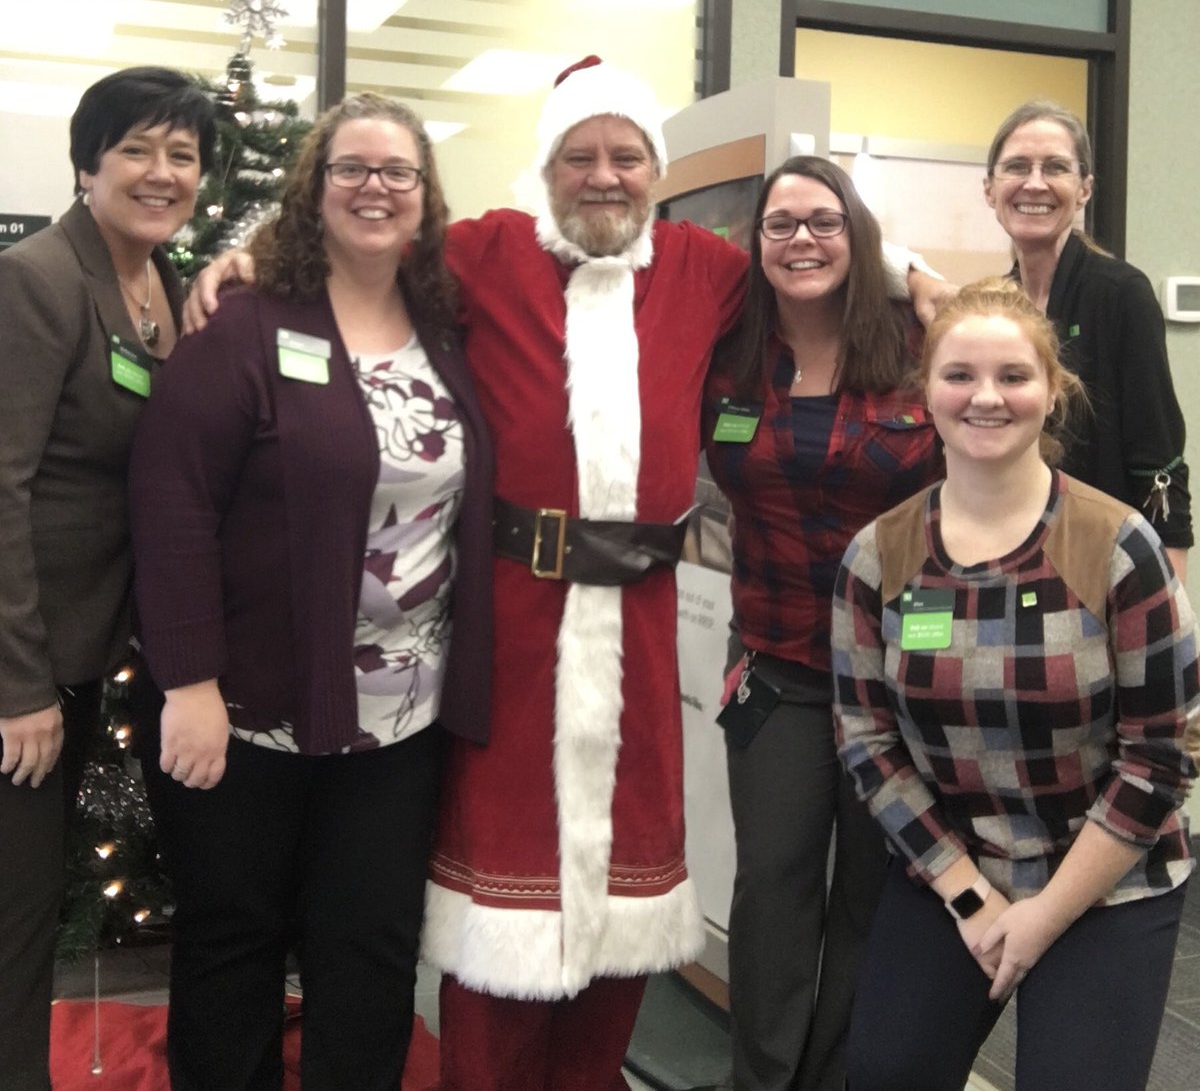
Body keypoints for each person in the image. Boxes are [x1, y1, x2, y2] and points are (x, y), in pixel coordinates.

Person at [184, 57, 950, 1091]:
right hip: (508, 622)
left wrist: (915, 274)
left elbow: (810, 255)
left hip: (639, 628)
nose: (603, 175)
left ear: (654, 171)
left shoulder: (702, 268)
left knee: (625, 892)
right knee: (497, 896)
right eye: (579, 155)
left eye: (626, 155)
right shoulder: (486, 250)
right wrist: (246, 256)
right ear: (546, 167)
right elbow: (364, 237)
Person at [127, 93, 493, 1091]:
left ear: (424, 193)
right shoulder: (244, 324)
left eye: (397, 170)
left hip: (400, 720)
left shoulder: (446, 326)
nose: (376, 187)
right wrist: (189, 681)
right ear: (314, 188)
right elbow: (172, 503)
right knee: (233, 937)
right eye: (352, 168)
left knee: (371, 944)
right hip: (249, 709)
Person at [831, 277, 1197, 1091]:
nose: (986, 397)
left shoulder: (1119, 546)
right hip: (954, 864)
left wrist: (1042, 917)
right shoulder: (880, 554)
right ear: (926, 390)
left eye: (1014, 375)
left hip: (1105, 875)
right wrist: (970, 897)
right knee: (887, 1071)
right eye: (960, 374)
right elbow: (867, 743)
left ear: (1053, 391)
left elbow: (1162, 756)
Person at [702, 155, 942, 1091]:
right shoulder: (731, 354)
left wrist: (916, 274)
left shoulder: (921, 344)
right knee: (772, 885)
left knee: (874, 894)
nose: (802, 239)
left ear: (858, 237)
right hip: (775, 665)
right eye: (781, 224)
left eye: (824, 221)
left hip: (900, 675)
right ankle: (761, 1080)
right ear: (757, 244)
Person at [0, 66, 214, 1091]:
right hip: (25, 657)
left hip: (91, 643)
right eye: (136, 149)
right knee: (13, 917)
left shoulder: (161, 281)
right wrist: (19, 688)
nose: (160, 172)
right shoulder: (38, 279)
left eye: (182, 154)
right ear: (88, 163)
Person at [984, 99, 1192, 578]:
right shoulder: (996, 306)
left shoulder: (1121, 294)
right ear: (989, 190)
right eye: (1017, 166)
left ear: (1084, 190)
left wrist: (1170, 592)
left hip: (1104, 561)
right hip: (1011, 552)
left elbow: (1159, 454)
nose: (1035, 183)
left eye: (1056, 167)